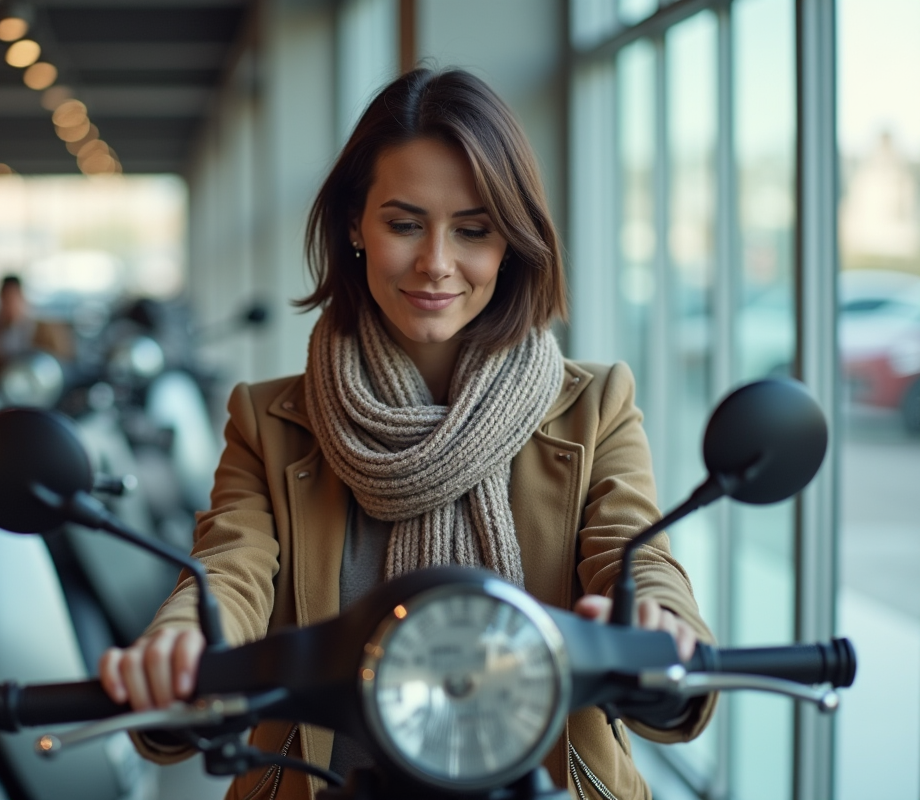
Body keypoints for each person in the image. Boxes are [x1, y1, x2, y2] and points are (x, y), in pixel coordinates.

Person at [98, 68, 715, 800]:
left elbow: (632, 552)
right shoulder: (268, 422)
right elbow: (230, 568)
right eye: (404, 223)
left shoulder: (595, 404)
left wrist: (658, 623)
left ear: (511, 243)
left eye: (474, 230)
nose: (437, 263)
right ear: (356, 224)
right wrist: (181, 643)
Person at [0, 274, 73, 383]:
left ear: (22, 299)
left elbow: (64, 362)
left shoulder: (46, 331)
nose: (11, 307)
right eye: (6, 301)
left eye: (14, 300)